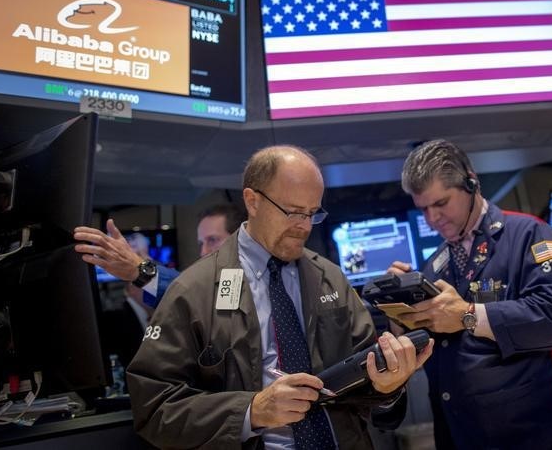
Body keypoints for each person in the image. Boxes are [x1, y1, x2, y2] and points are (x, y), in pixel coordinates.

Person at [125, 145, 433, 449]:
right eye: (293, 212)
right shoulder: (194, 290)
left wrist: (387, 386)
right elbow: (154, 409)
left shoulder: (331, 278)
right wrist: (252, 410)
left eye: (312, 213)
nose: (304, 226)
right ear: (253, 201)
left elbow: (367, 383)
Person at [388, 139, 552, 449]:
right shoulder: (434, 265)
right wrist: (400, 315)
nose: (431, 219)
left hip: (529, 434)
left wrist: (468, 315)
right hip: (459, 433)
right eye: (423, 208)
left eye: (441, 203)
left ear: (471, 182)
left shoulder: (528, 233)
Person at [73, 203, 245, 307]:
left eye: (213, 240)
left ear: (239, 238)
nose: (203, 252)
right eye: (201, 243)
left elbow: (190, 295)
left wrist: (138, 269)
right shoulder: (218, 280)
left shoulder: (250, 279)